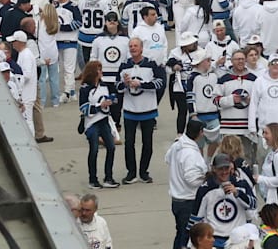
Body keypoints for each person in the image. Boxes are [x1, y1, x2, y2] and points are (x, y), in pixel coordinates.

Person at [117, 36, 166, 184]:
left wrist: (142, 84)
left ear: (141, 48)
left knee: (147, 143)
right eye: (131, 46)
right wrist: (125, 84)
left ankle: (144, 172)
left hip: (148, 110)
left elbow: (160, 83)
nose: (133, 48)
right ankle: (131, 173)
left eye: (135, 46)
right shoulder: (124, 65)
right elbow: (117, 87)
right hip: (130, 111)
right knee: (129, 143)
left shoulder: (151, 64)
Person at [189, 154, 256, 246]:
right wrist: (191, 243)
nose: (224, 172)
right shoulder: (205, 189)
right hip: (214, 239)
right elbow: (196, 217)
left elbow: (253, 205)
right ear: (214, 169)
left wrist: (238, 193)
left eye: (226, 168)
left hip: (237, 240)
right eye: (221, 169)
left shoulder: (241, 184)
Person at [165, 119, 209, 249]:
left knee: (180, 234)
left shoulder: (177, 145)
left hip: (177, 200)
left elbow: (167, 158)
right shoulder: (190, 154)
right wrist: (206, 177)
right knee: (187, 237)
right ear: (199, 133)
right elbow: (191, 179)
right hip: (188, 201)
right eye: (202, 131)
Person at [78, 60, 120, 189]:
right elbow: (83, 108)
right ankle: (93, 179)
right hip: (92, 123)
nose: (101, 72)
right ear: (93, 72)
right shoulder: (85, 88)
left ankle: (108, 177)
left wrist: (111, 101)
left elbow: (114, 98)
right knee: (94, 150)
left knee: (111, 147)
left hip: (104, 121)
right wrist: (99, 106)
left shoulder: (105, 85)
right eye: (99, 70)